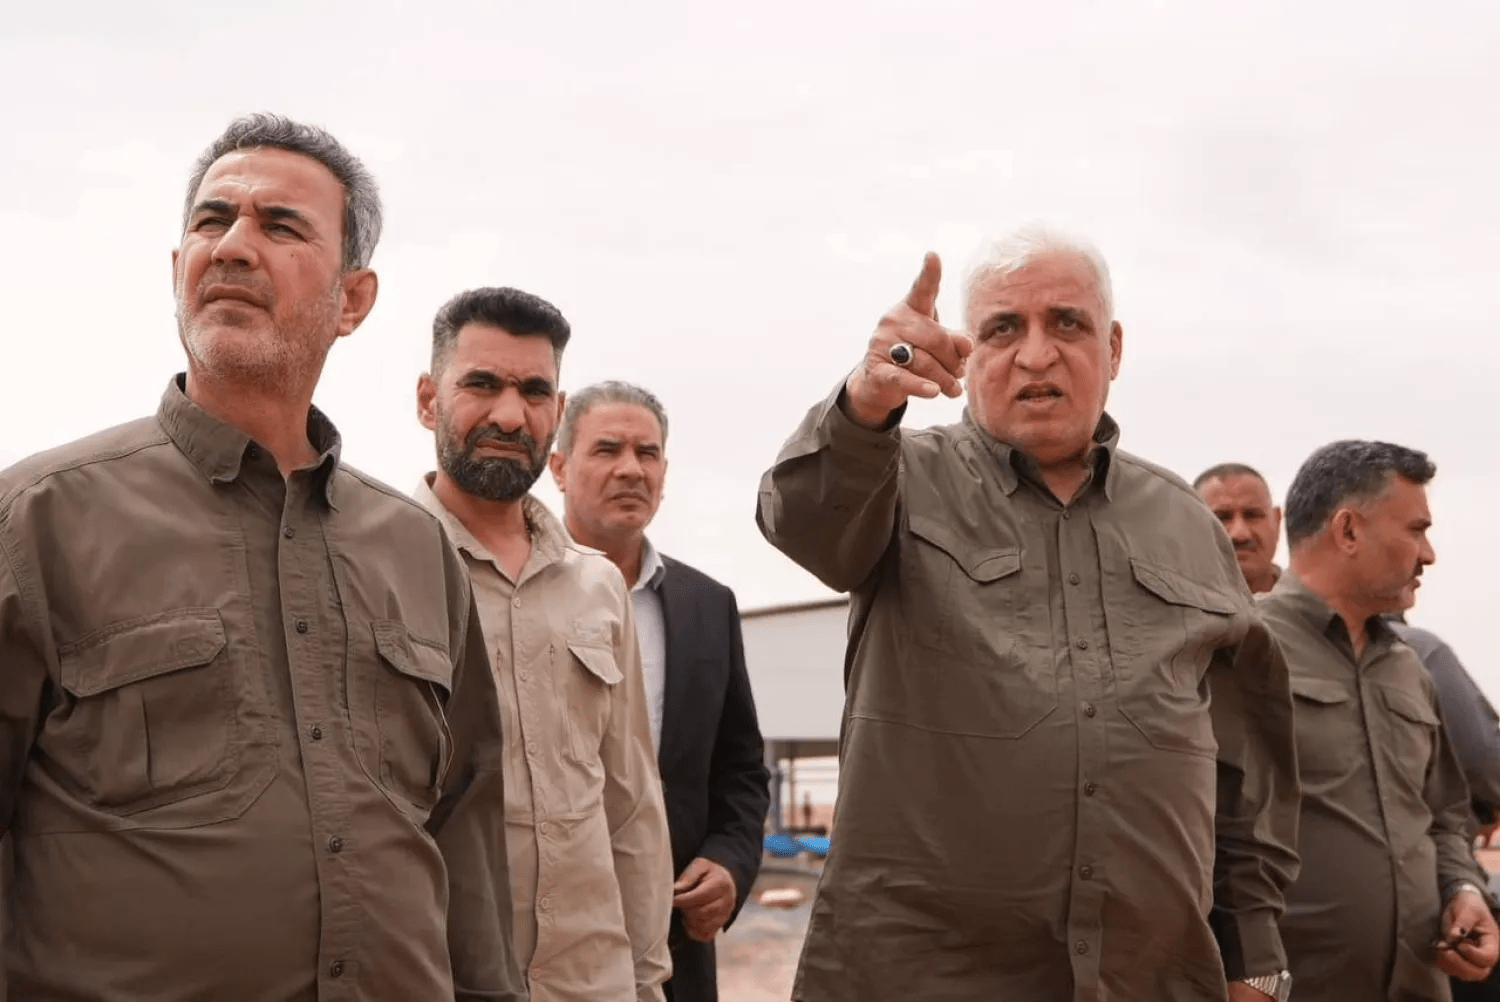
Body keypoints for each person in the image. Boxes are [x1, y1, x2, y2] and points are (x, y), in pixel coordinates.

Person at [0, 114, 522, 1000]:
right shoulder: (37, 520)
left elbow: (465, 832)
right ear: (178, 269)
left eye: (280, 226)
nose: (234, 246)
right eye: (212, 221)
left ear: (353, 300)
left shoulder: (418, 548)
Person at [756, 226, 1300, 1002]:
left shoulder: (1187, 524)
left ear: (1113, 348)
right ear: (967, 353)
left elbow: (1242, 772)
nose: (1036, 355)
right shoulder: (895, 479)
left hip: (1149, 980)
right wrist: (865, 399)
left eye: (1067, 324)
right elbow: (803, 520)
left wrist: (1254, 959)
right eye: (1004, 329)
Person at [414, 288, 674, 1002]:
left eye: (533, 392)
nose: (509, 415)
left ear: (556, 414)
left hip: (594, 982)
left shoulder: (598, 586)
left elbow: (630, 803)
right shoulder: (376, 565)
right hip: (441, 979)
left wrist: (647, 978)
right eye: (481, 384)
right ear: (428, 401)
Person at [550, 381, 771, 1002]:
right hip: (543, 940)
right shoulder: (508, 589)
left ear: (664, 475)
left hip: (675, 948)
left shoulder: (708, 606)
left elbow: (741, 769)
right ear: (559, 468)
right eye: (607, 449)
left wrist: (730, 861)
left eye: (647, 453)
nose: (631, 469)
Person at [1258, 440, 1498, 1000]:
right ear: (1347, 530)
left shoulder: (1411, 669)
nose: (1428, 554)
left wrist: (1463, 890)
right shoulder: (1242, 654)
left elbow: (1444, 817)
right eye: (1416, 529)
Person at [1195, 463, 1283, 594]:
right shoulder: (1170, 604)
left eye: (1252, 515)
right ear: (1193, 527)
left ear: (1277, 521)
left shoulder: (1312, 602)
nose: (1240, 534)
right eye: (1222, 518)